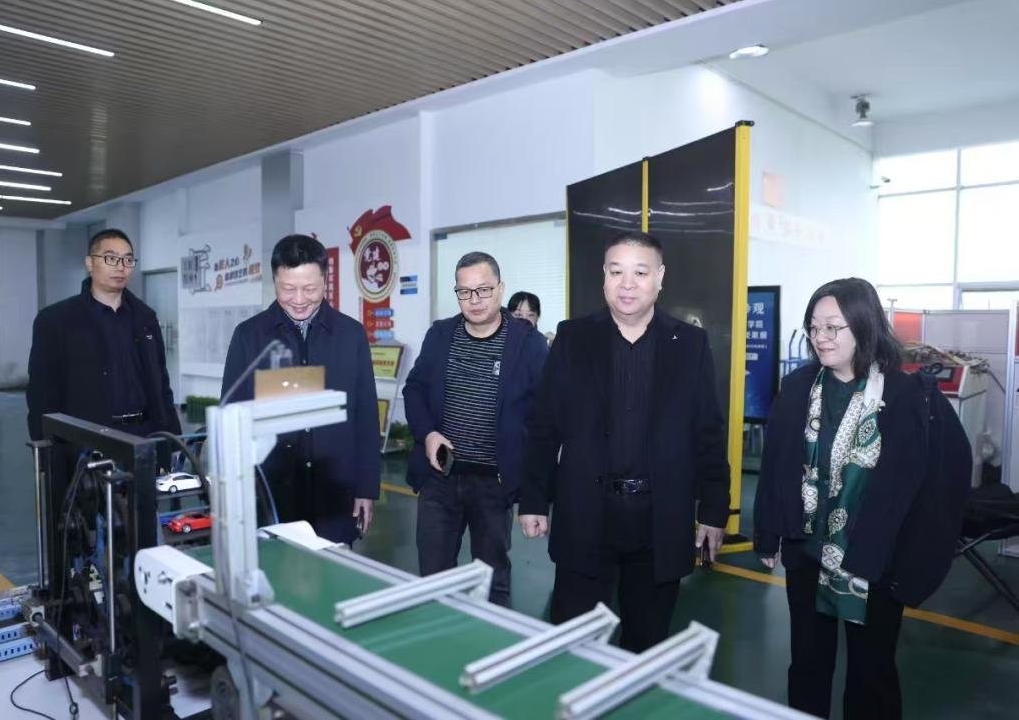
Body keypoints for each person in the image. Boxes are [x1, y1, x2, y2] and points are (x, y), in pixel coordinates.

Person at [753, 277, 969, 719]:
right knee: (807, 664)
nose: (822, 337)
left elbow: (943, 480)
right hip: (807, 551)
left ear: (864, 326)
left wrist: (917, 557)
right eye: (815, 327)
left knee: (872, 673)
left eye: (834, 327)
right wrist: (768, 533)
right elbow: (776, 462)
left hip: (875, 560)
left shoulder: (910, 397)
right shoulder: (798, 388)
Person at [519, 230, 729, 651]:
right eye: (616, 272)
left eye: (640, 273)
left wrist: (713, 509)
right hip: (586, 513)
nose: (627, 284)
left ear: (660, 277)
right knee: (574, 642)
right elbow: (544, 426)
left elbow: (707, 430)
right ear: (604, 277)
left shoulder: (689, 344)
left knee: (647, 643)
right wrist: (533, 500)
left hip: (659, 519)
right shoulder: (573, 338)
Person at [403, 252, 548, 607]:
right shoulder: (440, 335)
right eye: (465, 292)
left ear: (501, 289)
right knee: (433, 579)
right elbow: (414, 389)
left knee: (492, 580)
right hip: (440, 477)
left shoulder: (527, 343)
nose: (475, 300)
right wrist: (428, 434)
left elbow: (544, 418)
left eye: (483, 290)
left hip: (493, 484)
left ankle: (495, 641)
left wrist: (536, 497)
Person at [221, 234, 379, 544]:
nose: (299, 299)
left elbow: (365, 416)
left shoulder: (350, 335)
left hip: (334, 491)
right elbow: (232, 418)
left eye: (310, 289)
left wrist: (366, 488)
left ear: (325, 281)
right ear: (274, 281)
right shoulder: (249, 336)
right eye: (288, 289)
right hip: (272, 492)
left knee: (333, 569)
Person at [27, 228, 181, 441]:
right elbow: (41, 397)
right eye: (111, 258)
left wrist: (175, 442)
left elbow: (162, 385)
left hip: (146, 435)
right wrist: (47, 451)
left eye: (128, 260)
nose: (121, 267)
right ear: (90, 263)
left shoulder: (146, 319)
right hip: (89, 440)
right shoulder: (55, 321)